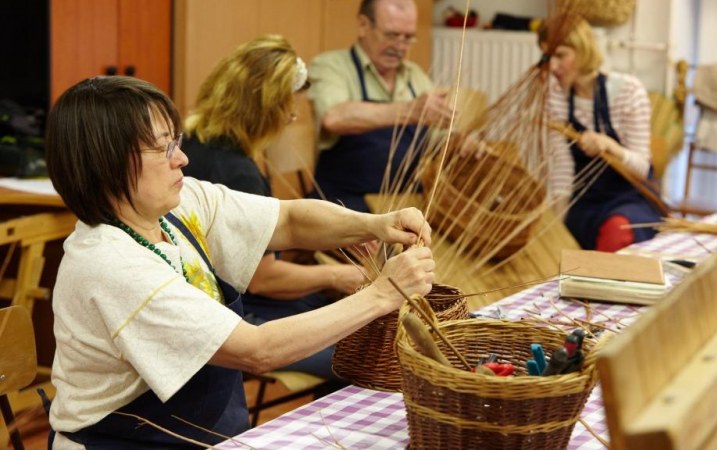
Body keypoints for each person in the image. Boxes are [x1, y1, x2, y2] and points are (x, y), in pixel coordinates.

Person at [45, 75, 434, 449]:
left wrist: (377, 224)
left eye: (175, 141)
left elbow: (288, 220)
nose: (181, 158)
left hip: (202, 435)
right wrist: (384, 294)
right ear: (110, 162)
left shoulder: (176, 207)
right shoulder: (111, 265)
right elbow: (256, 349)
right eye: (162, 148)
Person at [181, 34, 366, 381]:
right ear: (262, 108)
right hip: (234, 317)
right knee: (358, 353)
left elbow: (273, 233)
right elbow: (264, 279)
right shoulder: (238, 173)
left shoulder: (189, 145)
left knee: (337, 318)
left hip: (207, 306)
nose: (294, 115)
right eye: (287, 104)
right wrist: (339, 276)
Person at [307, 0, 454, 213]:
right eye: (392, 35)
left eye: (408, 38)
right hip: (344, 206)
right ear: (363, 25)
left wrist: (460, 143)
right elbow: (334, 118)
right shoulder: (331, 66)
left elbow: (438, 138)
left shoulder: (415, 76)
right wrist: (409, 111)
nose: (400, 47)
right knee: (385, 246)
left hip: (406, 205)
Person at [539, 14, 660, 252]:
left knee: (617, 233)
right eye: (547, 56)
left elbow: (642, 168)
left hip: (629, 197)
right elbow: (562, 169)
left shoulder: (628, 92)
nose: (553, 67)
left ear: (583, 50)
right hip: (585, 200)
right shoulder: (555, 95)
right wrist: (557, 227)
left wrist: (609, 145)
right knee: (558, 239)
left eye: (561, 55)